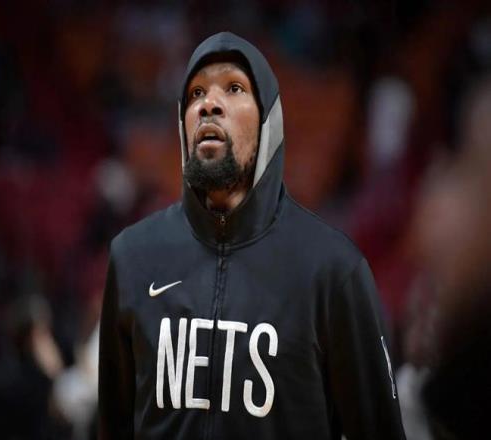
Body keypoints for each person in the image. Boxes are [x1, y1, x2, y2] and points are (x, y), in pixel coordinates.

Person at [98, 32, 406, 440]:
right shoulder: (132, 257)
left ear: (267, 122)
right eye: (195, 93)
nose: (208, 104)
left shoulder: (333, 270)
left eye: (234, 88)